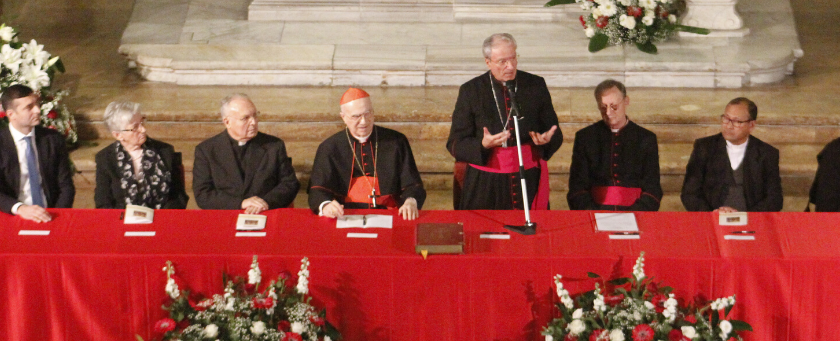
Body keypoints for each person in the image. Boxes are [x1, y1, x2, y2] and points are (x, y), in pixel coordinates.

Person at [446, 33, 563, 210]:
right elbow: (454, 144)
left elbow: (554, 132)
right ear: (488, 62)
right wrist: (482, 145)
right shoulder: (471, 91)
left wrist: (546, 140)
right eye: (502, 61)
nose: (510, 66)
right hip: (485, 183)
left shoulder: (535, 85)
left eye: (513, 58)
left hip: (528, 178)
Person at [308, 88, 426, 220]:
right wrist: (326, 205)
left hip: (392, 214)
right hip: (345, 215)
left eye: (368, 113)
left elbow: (413, 184)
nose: (364, 121)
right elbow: (317, 190)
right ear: (343, 117)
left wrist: (411, 200)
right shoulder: (330, 147)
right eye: (356, 116)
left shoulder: (396, 141)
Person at [0, 84, 75, 222]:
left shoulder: (53, 139)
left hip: (49, 214)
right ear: (11, 115)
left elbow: (65, 186)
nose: (37, 110)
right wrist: (20, 209)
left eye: (36, 104)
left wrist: (56, 215)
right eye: (29, 107)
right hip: (12, 214)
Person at [193, 94, 300, 214]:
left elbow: (289, 184)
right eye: (245, 118)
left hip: (265, 213)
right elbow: (203, 194)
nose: (253, 122)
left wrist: (265, 202)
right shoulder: (207, 150)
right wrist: (241, 203)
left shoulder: (273, 146)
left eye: (255, 115)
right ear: (227, 122)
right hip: (225, 214)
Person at [567, 80, 663, 211]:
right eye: (603, 107)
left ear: (626, 101)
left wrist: (634, 214)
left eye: (614, 107)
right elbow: (577, 188)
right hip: (594, 212)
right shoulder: (585, 137)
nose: (608, 113)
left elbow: (653, 188)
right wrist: (594, 213)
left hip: (637, 213)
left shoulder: (646, 138)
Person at [681, 97, 783, 212]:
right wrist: (711, 214)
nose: (729, 126)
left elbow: (775, 199)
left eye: (737, 121)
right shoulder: (705, 148)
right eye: (726, 119)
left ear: (751, 125)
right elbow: (689, 193)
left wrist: (744, 216)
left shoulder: (767, 153)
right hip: (712, 220)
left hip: (750, 222)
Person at [94, 101, 188, 209]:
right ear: (118, 135)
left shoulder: (165, 151)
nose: (143, 130)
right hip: (123, 221)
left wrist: (163, 218)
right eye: (135, 127)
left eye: (142, 122)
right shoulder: (105, 158)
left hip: (161, 219)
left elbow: (178, 196)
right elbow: (103, 201)